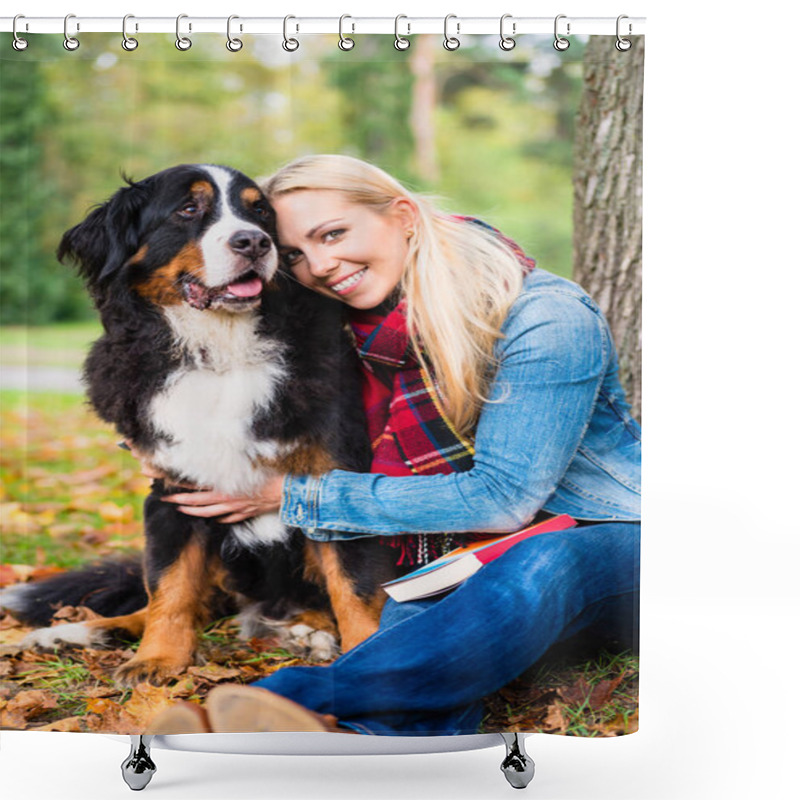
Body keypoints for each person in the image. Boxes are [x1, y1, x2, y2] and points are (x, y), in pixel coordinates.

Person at [146, 154, 641, 737]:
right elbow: (244, 392)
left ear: (403, 216)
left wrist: (291, 496)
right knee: (408, 624)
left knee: (541, 564)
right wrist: (174, 446)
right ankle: (355, 744)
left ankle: (295, 699)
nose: (323, 266)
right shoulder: (348, 328)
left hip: (605, 541)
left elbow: (504, 500)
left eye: (334, 234)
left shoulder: (544, 317)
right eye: (298, 255)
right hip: (460, 557)